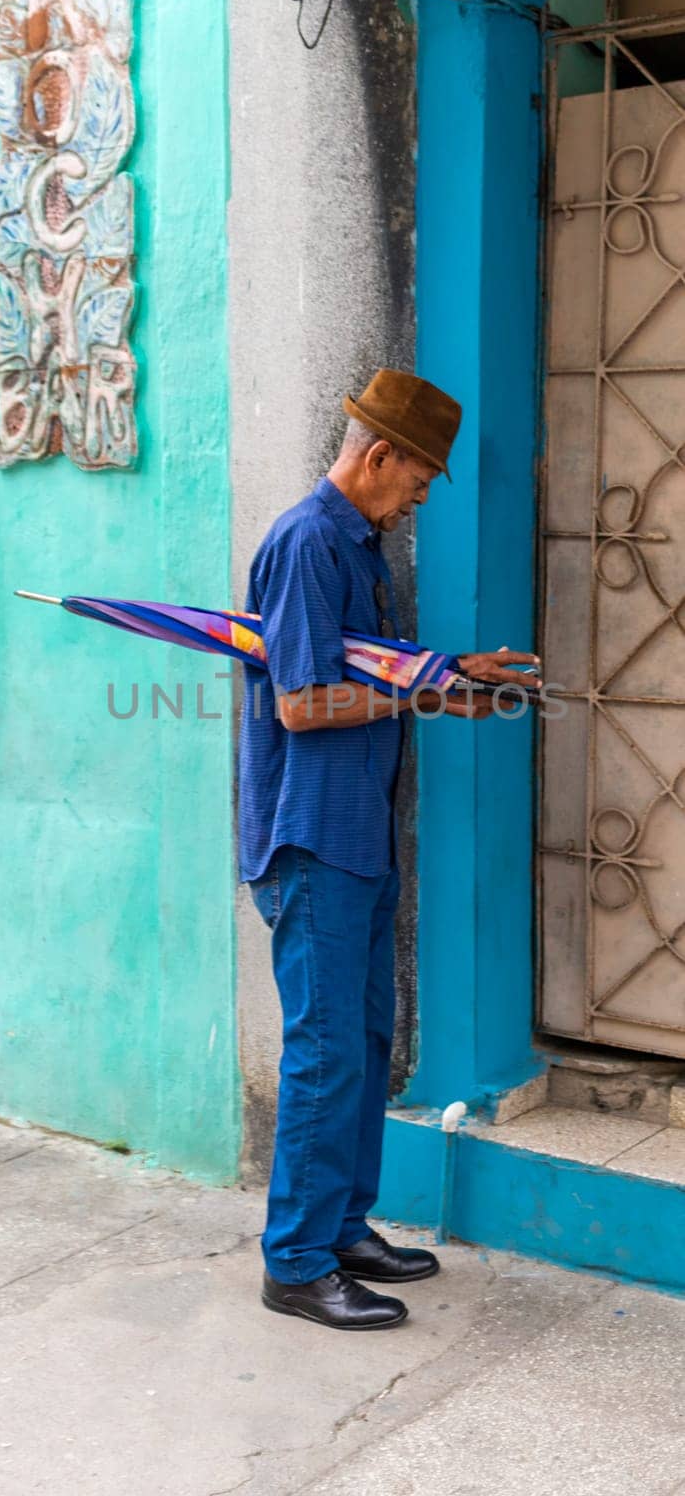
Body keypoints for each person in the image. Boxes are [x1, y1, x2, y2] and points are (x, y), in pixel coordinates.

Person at [238, 368, 541, 1331]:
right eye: (419, 478)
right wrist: (426, 686)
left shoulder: (362, 550)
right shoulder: (306, 546)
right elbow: (301, 703)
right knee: (326, 1052)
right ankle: (293, 1261)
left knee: (365, 1043)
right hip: (311, 839)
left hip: (358, 836)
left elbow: (380, 678)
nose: (420, 496)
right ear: (379, 456)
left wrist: (457, 683)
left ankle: (341, 1229)